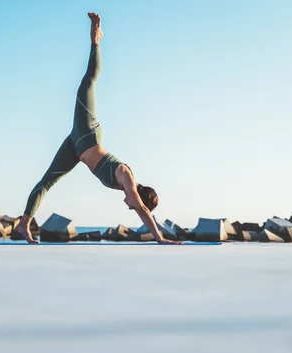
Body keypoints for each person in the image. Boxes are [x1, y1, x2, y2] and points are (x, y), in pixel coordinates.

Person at [13, 13, 181, 245]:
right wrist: (160, 237)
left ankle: (23, 225)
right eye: (134, 205)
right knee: (88, 81)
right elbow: (142, 208)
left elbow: (140, 206)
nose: (129, 207)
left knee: (47, 181)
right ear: (139, 196)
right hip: (87, 133)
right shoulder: (126, 176)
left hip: (76, 146)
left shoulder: (124, 184)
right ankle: (96, 39)